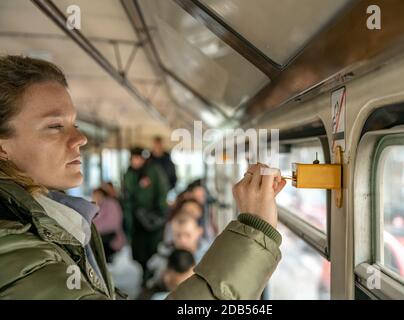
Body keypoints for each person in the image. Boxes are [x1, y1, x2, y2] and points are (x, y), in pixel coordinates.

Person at [0, 55, 286, 300]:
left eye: (75, 124)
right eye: (54, 126)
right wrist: (255, 231)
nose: (81, 138)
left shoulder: (49, 223)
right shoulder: (14, 249)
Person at [123, 146, 169, 284]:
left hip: (152, 217)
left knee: (152, 246)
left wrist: (160, 212)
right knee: (138, 249)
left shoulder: (154, 171)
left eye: (138, 158)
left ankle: (150, 274)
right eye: (133, 158)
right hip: (135, 218)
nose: (135, 161)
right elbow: (127, 195)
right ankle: (144, 272)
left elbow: (162, 191)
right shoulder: (129, 173)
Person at [91, 187, 126, 263]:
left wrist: (92, 228)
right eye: (94, 195)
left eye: (97, 195)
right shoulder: (98, 206)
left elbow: (112, 224)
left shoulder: (110, 204)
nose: (95, 197)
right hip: (104, 236)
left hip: (111, 237)